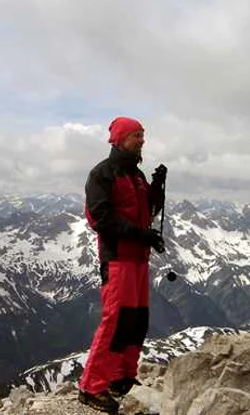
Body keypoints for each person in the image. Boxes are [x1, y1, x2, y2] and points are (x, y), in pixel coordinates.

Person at [78, 116, 167, 413]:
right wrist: (139, 234)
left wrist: (156, 188)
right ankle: (92, 387)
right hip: (118, 258)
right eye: (136, 135)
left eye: (143, 135)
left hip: (139, 258)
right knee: (115, 322)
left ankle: (123, 377)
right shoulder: (102, 174)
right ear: (119, 139)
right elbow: (100, 218)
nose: (142, 140)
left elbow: (147, 211)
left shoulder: (137, 176)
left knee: (136, 320)